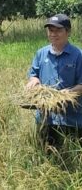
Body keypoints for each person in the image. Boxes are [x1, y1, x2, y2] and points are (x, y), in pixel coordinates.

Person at [26, 14, 82, 151]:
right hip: (46, 117)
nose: (53, 34)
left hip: (71, 119)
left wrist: (66, 94)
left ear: (68, 32)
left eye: (58, 30)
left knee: (73, 156)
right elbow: (34, 74)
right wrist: (34, 81)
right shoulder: (41, 54)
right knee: (47, 154)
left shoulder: (78, 55)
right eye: (51, 30)